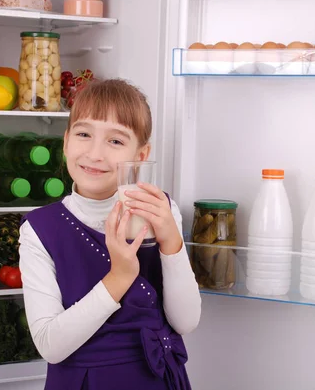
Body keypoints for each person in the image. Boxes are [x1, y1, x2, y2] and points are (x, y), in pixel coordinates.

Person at [19, 79, 202, 390]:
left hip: (158, 380)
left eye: (115, 142)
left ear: (141, 155)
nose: (95, 153)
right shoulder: (41, 230)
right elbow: (50, 345)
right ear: (65, 142)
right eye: (83, 134)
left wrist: (171, 242)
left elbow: (186, 321)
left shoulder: (160, 210)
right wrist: (118, 277)